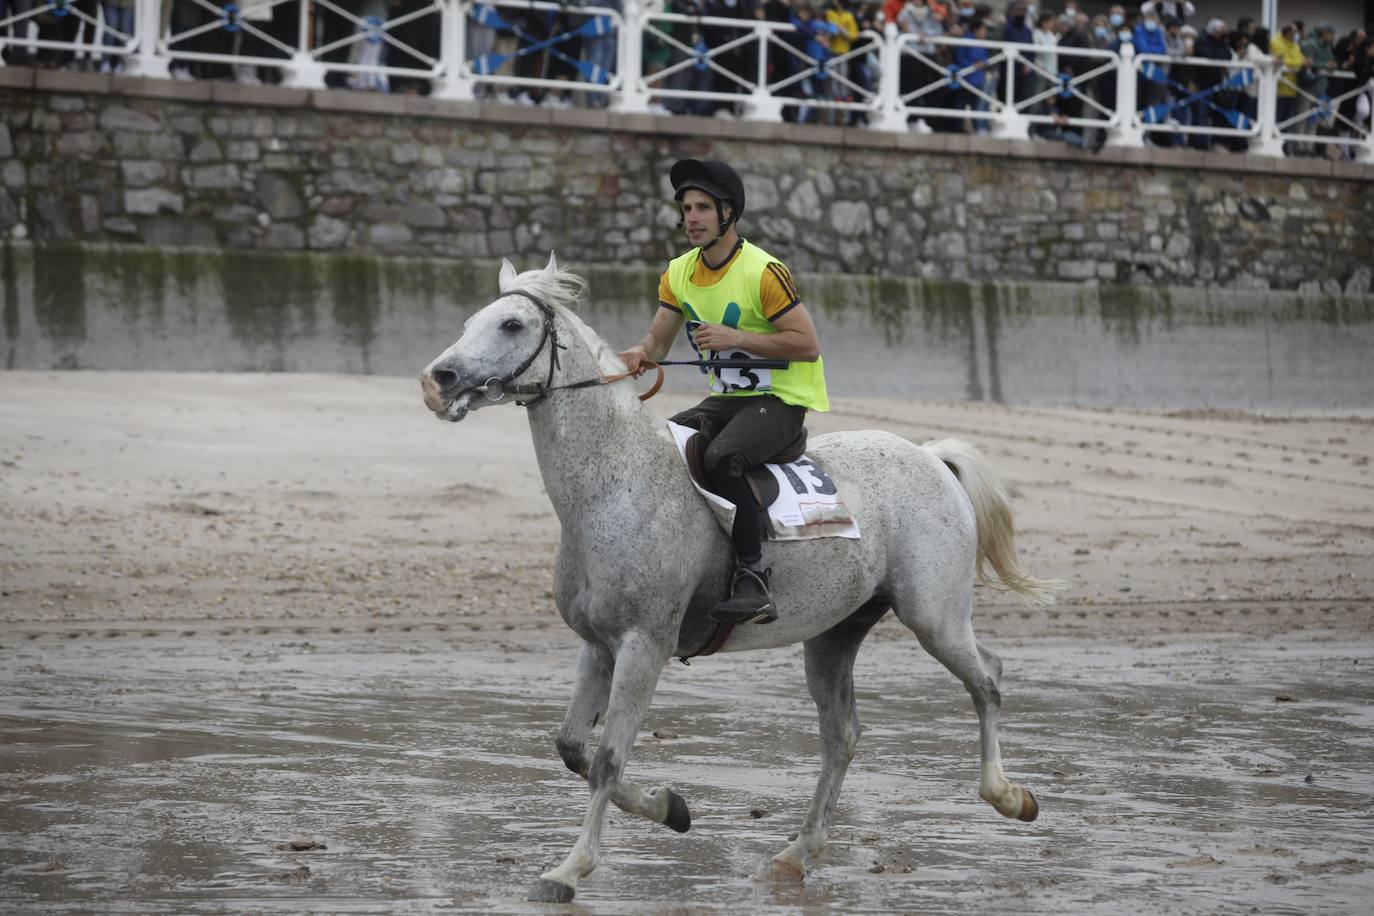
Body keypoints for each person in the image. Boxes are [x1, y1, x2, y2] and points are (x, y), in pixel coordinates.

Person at [619, 160, 829, 626]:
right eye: (687, 209)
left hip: (781, 400)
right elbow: (658, 339)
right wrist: (639, 352)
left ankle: (754, 577)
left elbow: (808, 346)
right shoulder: (678, 272)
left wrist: (738, 339)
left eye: (703, 209)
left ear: (727, 215)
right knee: (664, 448)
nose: (691, 218)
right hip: (728, 401)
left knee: (720, 459)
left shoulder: (764, 272)